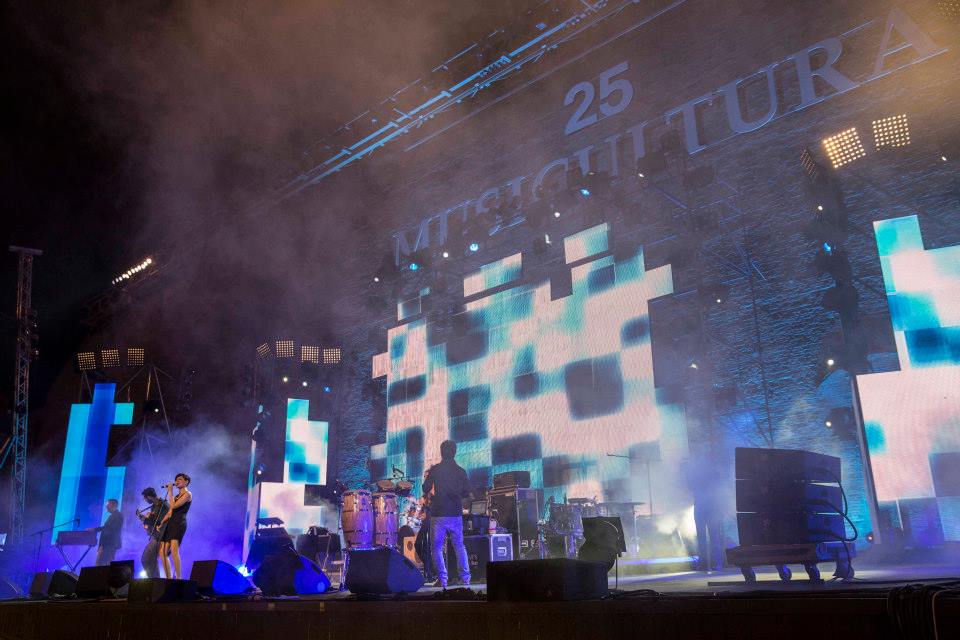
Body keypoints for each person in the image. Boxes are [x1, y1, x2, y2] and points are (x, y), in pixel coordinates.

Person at [422, 440, 471, 588]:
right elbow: (467, 492)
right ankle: (465, 578)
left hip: (439, 513)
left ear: (441, 452)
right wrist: (455, 493)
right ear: (455, 452)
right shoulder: (461, 471)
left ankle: (442, 580)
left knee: (436, 548)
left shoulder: (436, 469)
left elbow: (425, 487)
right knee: (459, 546)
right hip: (455, 513)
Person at [159, 473, 192, 579]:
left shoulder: (188, 494)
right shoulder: (175, 497)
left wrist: (170, 491)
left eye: (180, 479)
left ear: (186, 482)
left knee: (174, 550)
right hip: (171, 523)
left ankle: (178, 578)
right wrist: (161, 523)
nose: (177, 481)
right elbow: (170, 512)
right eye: (176, 480)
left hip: (179, 523)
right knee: (162, 552)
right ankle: (168, 578)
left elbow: (173, 506)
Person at [136, 487, 168, 579]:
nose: (145, 500)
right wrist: (145, 520)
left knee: (146, 559)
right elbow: (152, 521)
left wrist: (143, 518)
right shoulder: (154, 506)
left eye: (145, 498)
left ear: (149, 496)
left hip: (161, 536)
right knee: (150, 560)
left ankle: (155, 581)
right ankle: (155, 581)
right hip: (156, 536)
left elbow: (159, 522)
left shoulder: (163, 505)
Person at [93, 499, 123, 566]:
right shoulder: (114, 515)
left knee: (103, 565)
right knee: (100, 565)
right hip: (106, 545)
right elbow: (108, 528)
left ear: (114, 505)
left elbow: (110, 529)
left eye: (108, 505)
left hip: (109, 545)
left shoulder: (118, 515)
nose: (106, 506)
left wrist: (95, 529)